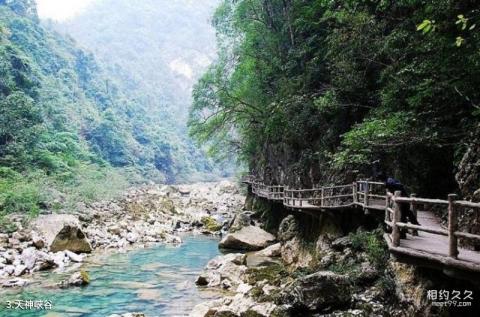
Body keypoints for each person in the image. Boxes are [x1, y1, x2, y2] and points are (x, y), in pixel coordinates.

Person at [379, 174, 420, 238]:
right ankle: (412, 226)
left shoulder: (389, 181)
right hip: (403, 200)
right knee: (405, 214)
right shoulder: (390, 180)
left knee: (403, 216)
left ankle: (404, 233)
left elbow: (398, 185)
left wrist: (387, 185)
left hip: (403, 200)